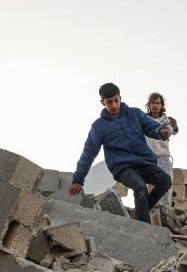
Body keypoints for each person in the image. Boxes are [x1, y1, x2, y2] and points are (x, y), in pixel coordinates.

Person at [70, 83, 173, 225]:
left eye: (116, 100)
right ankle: (144, 227)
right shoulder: (99, 127)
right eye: (109, 102)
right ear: (102, 102)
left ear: (120, 98)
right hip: (123, 167)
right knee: (140, 187)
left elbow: (152, 127)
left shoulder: (134, 113)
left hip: (144, 162)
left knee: (166, 180)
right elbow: (88, 153)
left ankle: (140, 213)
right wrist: (78, 179)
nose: (113, 105)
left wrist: (161, 132)